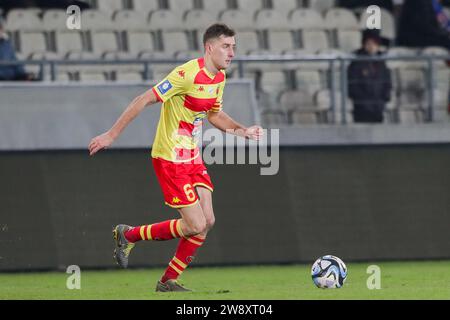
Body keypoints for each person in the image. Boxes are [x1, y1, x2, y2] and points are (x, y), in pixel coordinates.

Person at [88, 24, 264, 292]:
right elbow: (143, 99)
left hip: (192, 155)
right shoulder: (186, 74)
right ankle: (129, 234)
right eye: (226, 46)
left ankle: (167, 281)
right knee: (195, 224)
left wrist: (242, 131)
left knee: (207, 222)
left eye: (234, 47)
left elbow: (214, 115)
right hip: (170, 156)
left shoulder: (218, 78)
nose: (232, 53)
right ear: (209, 47)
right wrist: (112, 135)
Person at [347, 29, 392, 123]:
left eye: (374, 44)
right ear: (364, 44)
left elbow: (387, 82)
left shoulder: (381, 62)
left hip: (378, 108)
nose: (371, 47)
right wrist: (364, 102)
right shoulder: (356, 62)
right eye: (369, 43)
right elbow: (353, 85)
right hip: (361, 109)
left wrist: (383, 99)